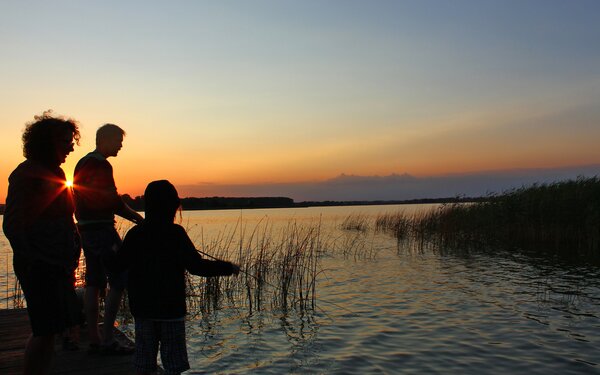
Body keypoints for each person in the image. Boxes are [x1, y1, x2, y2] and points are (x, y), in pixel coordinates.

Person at [112, 180, 239, 375]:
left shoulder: (135, 234)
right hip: (171, 311)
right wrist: (228, 267)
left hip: (143, 309)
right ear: (173, 206)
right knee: (173, 366)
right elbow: (197, 267)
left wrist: (110, 251)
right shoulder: (176, 234)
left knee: (144, 364)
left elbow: (117, 266)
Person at [3, 111, 82, 375]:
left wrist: (74, 245)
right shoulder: (26, 174)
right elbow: (12, 225)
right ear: (48, 143)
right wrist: (36, 260)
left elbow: (65, 217)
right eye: (66, 141)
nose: (71, 146)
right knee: (45, 330)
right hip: (39, 267)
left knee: (51, 331)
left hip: (58, 265)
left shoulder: (57, 172)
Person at [72, 123, 144, 354]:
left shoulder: (82, 162)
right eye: (118, 141)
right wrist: (137, 218)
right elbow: (112, 201)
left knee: (93, 282)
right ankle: (107, 340)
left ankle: (94, 337)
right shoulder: (102, 164)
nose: (120, 146)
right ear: (105, 139)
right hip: (102, 230)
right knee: (120, 278)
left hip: (85, 229)